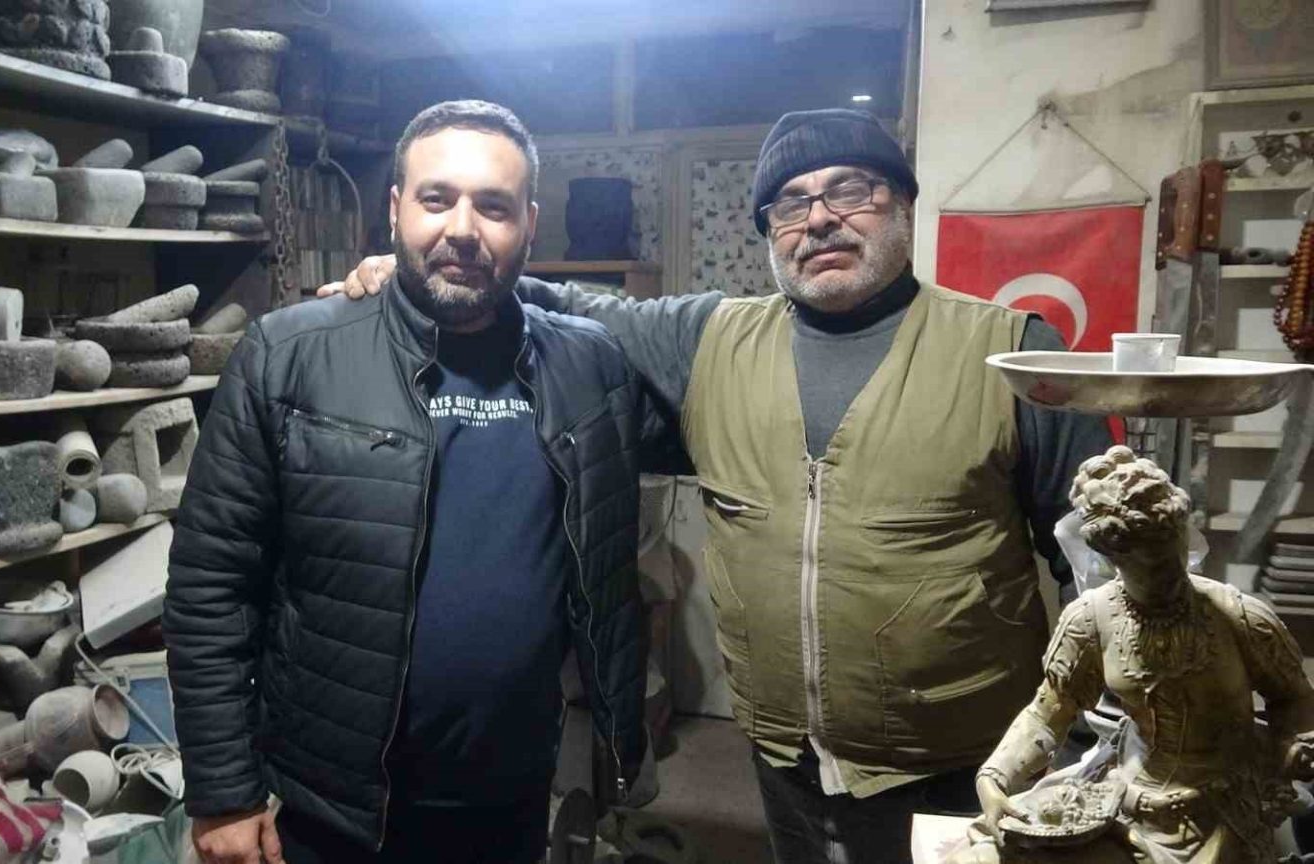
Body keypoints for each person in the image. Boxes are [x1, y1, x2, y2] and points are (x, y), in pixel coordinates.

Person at [323, 107, 1115, 862]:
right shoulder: (712, 339)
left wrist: (1100, 741)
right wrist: (424, 271)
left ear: (903, 203)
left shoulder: (1010, 353)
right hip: (784, 759)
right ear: (769, 230)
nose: (819, 220)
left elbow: (1105, 566)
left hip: (964, 764)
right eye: (790, 204)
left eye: (850, 191)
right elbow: (559, 302)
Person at [164, 99, 648, 864]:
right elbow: (210, 587)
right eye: (436, 198)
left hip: (513, 797)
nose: (463, 228)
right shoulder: (287, 357)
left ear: (529, 224)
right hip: (333, 806)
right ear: (395, 210)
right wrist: (224, 791)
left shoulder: (592, 366)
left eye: (494, 206)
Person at [956, 446, 1314, 864]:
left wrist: (1292, 746)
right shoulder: (1091, 620)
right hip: (1122, 807)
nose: (1170, 573)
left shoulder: (1240, 617)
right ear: (1114, 560)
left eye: (1174, 554)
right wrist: (994, 777)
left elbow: (1295, 697)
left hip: (1222, 815)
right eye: (1152, 567)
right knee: (981, 857)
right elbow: (1049, 710)